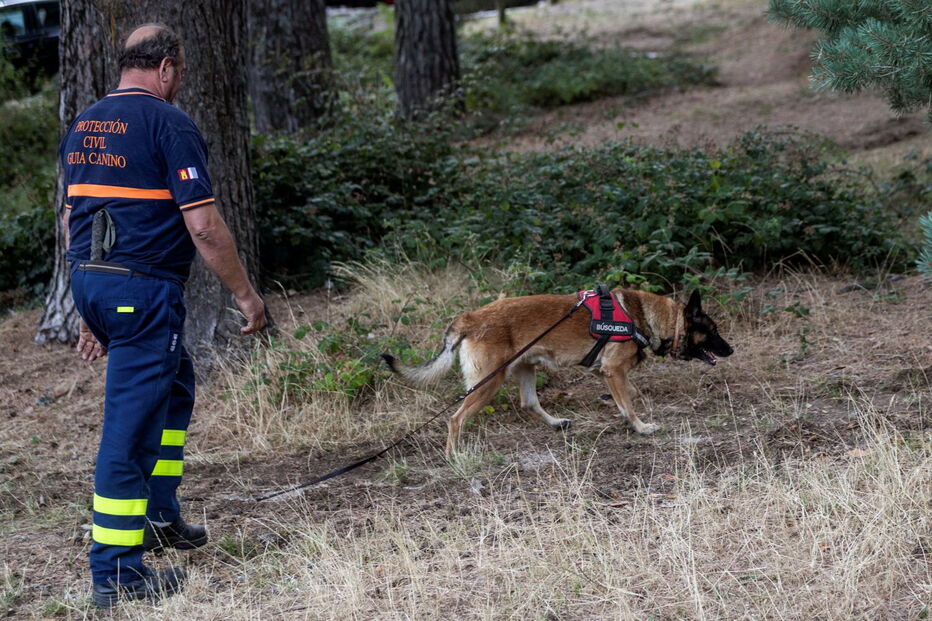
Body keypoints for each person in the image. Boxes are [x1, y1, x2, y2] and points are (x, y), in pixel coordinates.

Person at [61, 23, 266, 608]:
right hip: (143, 292)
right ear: (168, 68)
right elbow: (202, 225)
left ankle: (158, 517)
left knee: (174, 392)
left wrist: (85, 305)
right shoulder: (168, 123)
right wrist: (247, 296)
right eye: (179, 74)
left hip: (96, 281)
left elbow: (74, 214)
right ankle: (116, 575)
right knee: (126, 432)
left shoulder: (86, 123)